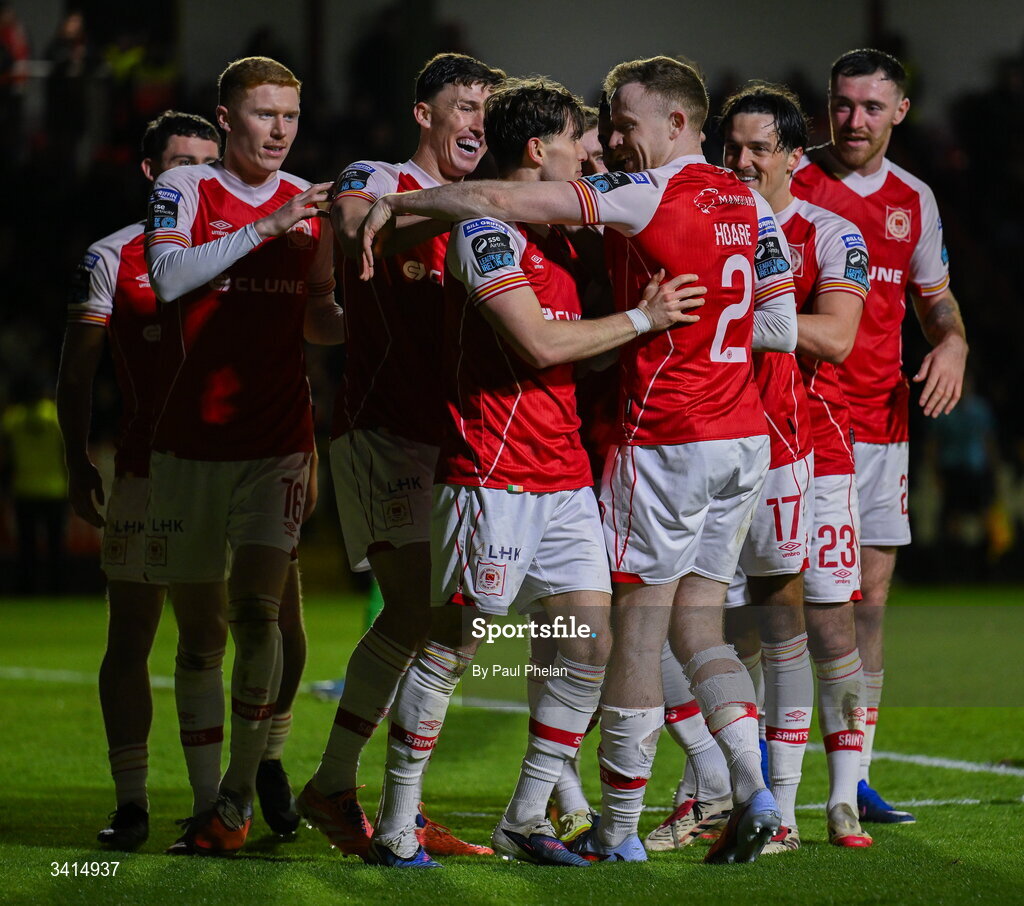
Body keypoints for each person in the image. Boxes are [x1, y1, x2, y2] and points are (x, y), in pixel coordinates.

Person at [359, 55, 798, 865]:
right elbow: (542, 343)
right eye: (581, 140)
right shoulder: (493, 233)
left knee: (600, 641)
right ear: (537, 153)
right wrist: (644, 319)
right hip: (498, 470)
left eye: (616, 130)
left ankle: (542, 820)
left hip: (598, 465)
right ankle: (397, 820)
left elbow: (581, 344)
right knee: (461, 643)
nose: (598, 153)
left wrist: (649, 328)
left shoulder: (582, 233)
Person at [299, 52, 505, 861]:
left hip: (455, 436)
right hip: (382, 428)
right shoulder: (373, 173)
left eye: (486, 111)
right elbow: (353, 224)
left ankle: (347, 791)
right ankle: (374, 803)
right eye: (462, 107)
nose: (476, 124)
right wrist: (455, 209)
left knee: (445, 623)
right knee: (434, 620)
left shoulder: (485, 209)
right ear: (424, 113)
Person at [143, 56, 342, 855]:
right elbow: (166, 279)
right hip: (189, 441)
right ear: (226, 118)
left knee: (259, 613)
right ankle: (203, 802)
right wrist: (265, 227)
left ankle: (235, 801)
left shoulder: (315, 209)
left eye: (290, 116)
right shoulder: (187, 191)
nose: (279, 130)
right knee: (197, 639)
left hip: (277, 440)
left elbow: (318, 316)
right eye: (264, 115)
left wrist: (373, 314)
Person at [791, 48, 967, 823]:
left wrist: (954, 341)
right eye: (843, 104)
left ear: (900, 111)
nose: (853, 120)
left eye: (870, 106)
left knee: (868, 603)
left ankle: (852, 772)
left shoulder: (915, 201)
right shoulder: (794, 181)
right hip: (797, 420)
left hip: (881, 426)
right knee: (781, 603)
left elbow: (937, 302)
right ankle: (754, 771)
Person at [714, 82, 874, 851]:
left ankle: (843, 796)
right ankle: (743, 798)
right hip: (718, 446)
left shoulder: (832, 232)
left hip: (812, 449)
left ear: (792, 157)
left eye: (758, 150)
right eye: (731, 148)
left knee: (830, 622)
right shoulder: (709, 222)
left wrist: (731, 320)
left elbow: (838, 338)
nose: (741, 162)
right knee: (733, 629)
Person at [56, 111, 220, 849]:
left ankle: (226, 796)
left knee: (221, 635)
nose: (194, 178)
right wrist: (73, 454)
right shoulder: (112, 257)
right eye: (180, 164)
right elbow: (78, 369)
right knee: (131, 639)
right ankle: (131, 803)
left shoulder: (241, 248)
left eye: (206, 166)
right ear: (151, 173)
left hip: (230, 472)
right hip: (148, 474)